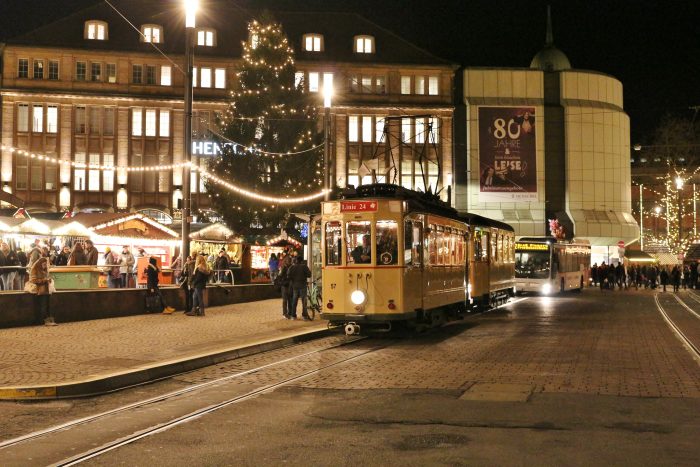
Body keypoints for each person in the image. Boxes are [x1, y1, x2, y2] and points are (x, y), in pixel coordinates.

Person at [26, 256, 56, 326]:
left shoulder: (45, 269)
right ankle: (44, 321)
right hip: (39, 291)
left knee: (47, 305)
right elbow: (33, 280)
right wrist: (44, 280)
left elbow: (46, 277)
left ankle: (49, 320)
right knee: (43, 306)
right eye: (44, 264)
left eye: (46, 264)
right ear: (40, 264)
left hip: (46, 290)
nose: (45, 266)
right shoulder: (35, 269)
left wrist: (49, 280)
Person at [277, 254, 294, 319]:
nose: (290, 261)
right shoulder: (284, 268)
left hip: (288, 285)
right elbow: (280, 276)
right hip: (285, 285)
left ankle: (288, 313)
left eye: (290, 260)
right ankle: (285, 313)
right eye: (289, 260)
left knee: (288, 299)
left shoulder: (290, 267)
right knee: (286, 300)